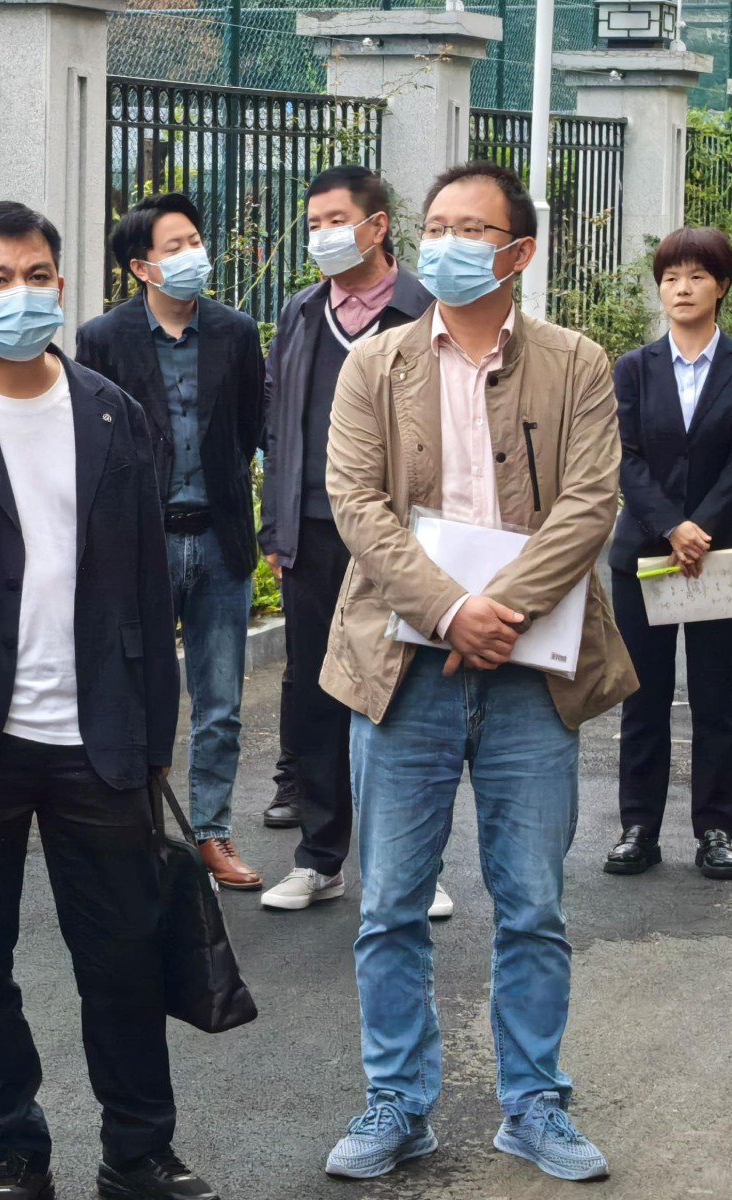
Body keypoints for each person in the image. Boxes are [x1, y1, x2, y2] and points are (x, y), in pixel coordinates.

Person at [0, 201, 221, 1200]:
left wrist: (154, 734)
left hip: (96, 736)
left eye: (35, 276)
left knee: (121, 955)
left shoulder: (111, 411)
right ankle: (12, 1148)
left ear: (62, 285)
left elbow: (148, 588)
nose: (20, 295)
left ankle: (137, 1150)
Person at [318, 162, 637, 1183]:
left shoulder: (577, 363)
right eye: (438, 225)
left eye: (472, 229)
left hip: (532, 673)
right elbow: (355, 503)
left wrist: (500, 613)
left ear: (518, 252)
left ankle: (534, 1103)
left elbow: (590, 502)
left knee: (532, 904)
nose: (447, 243)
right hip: (400, 666)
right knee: (389, 906)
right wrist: (451, 610)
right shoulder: (375, 364)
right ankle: (396, 1102)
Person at [253, 166, 449, 920]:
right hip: (311, 530)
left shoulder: (423, 309)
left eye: (336, 221)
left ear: (377, 227)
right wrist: (276, 528)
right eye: (313, 224)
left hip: (403, 537)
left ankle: (415, 867)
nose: (321, 236)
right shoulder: (303, 311)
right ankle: (319, 858)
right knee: (317, 692)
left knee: (406, 693)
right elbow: (279, 428)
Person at [75, 192, 265, 891]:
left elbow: (251, 429)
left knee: (221, 705)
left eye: (195, 241)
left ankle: (211, 833)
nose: (193, 256)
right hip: (141, 543)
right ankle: (141, 834)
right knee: (135, 696)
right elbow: (92, 445)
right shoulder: (104, 338)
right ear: (142, 267)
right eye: (175, 247)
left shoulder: (236, 332)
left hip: (218, 539)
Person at [605, 226, 732, 881]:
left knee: (715, 698)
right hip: (645, 556)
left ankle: (715, 831)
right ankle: (638, 828)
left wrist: (700, 526)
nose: (683, 288)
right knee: (642, 697)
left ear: (721, 286)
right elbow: (625, 457)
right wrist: (672, 526)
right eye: (672, 277)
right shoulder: (633, 368)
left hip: (719, 555)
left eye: (698, 276)